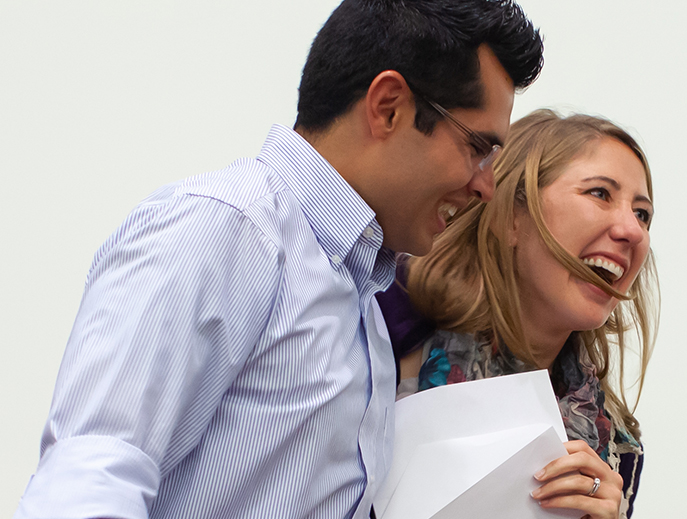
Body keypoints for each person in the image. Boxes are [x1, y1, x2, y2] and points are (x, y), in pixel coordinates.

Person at [13, 2, 544, 518]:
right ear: (388, 107)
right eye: (479, 147)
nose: (486, 186)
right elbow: (90, 479)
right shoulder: (223, 229)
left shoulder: (362, 301)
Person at [377, 109, 659, 519]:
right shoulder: (384, 325)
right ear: (512, 215)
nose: (632, 230)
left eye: (642, 213)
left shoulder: (615, 447)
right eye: (600, 193)